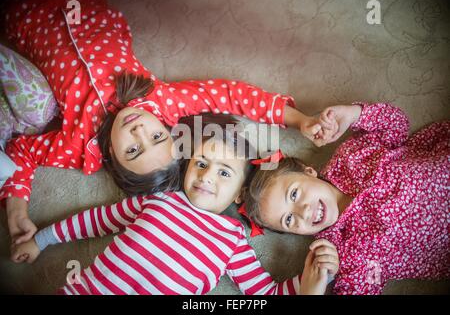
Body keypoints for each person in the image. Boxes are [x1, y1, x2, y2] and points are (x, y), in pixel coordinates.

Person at [0, 0, 328, 246]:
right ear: (167, 129)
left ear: (111, 157)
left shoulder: (77, 146)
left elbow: (22, 152)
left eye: (132, 151)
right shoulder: (160, 101)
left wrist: (16, 211)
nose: (139, 130)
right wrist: (298, 119)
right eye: (157, 138)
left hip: (20, 17)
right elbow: (229, 95)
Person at [11, 123, 339, 295]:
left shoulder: (233, 241)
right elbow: (95, 221)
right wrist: (40, 240)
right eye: (201, 163)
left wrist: (311, 281)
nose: (207, 175)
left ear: (239, 193)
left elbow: (263, 290)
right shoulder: (158, 201)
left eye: (224, 172)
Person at [243, 102, 450, 294]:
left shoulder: (350, 158)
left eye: (294, 194)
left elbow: (396, 126)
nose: (303, 211)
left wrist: (353, 114)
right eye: (288, 220)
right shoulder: (343, 253)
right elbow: (367, 283)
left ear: (309, 171)